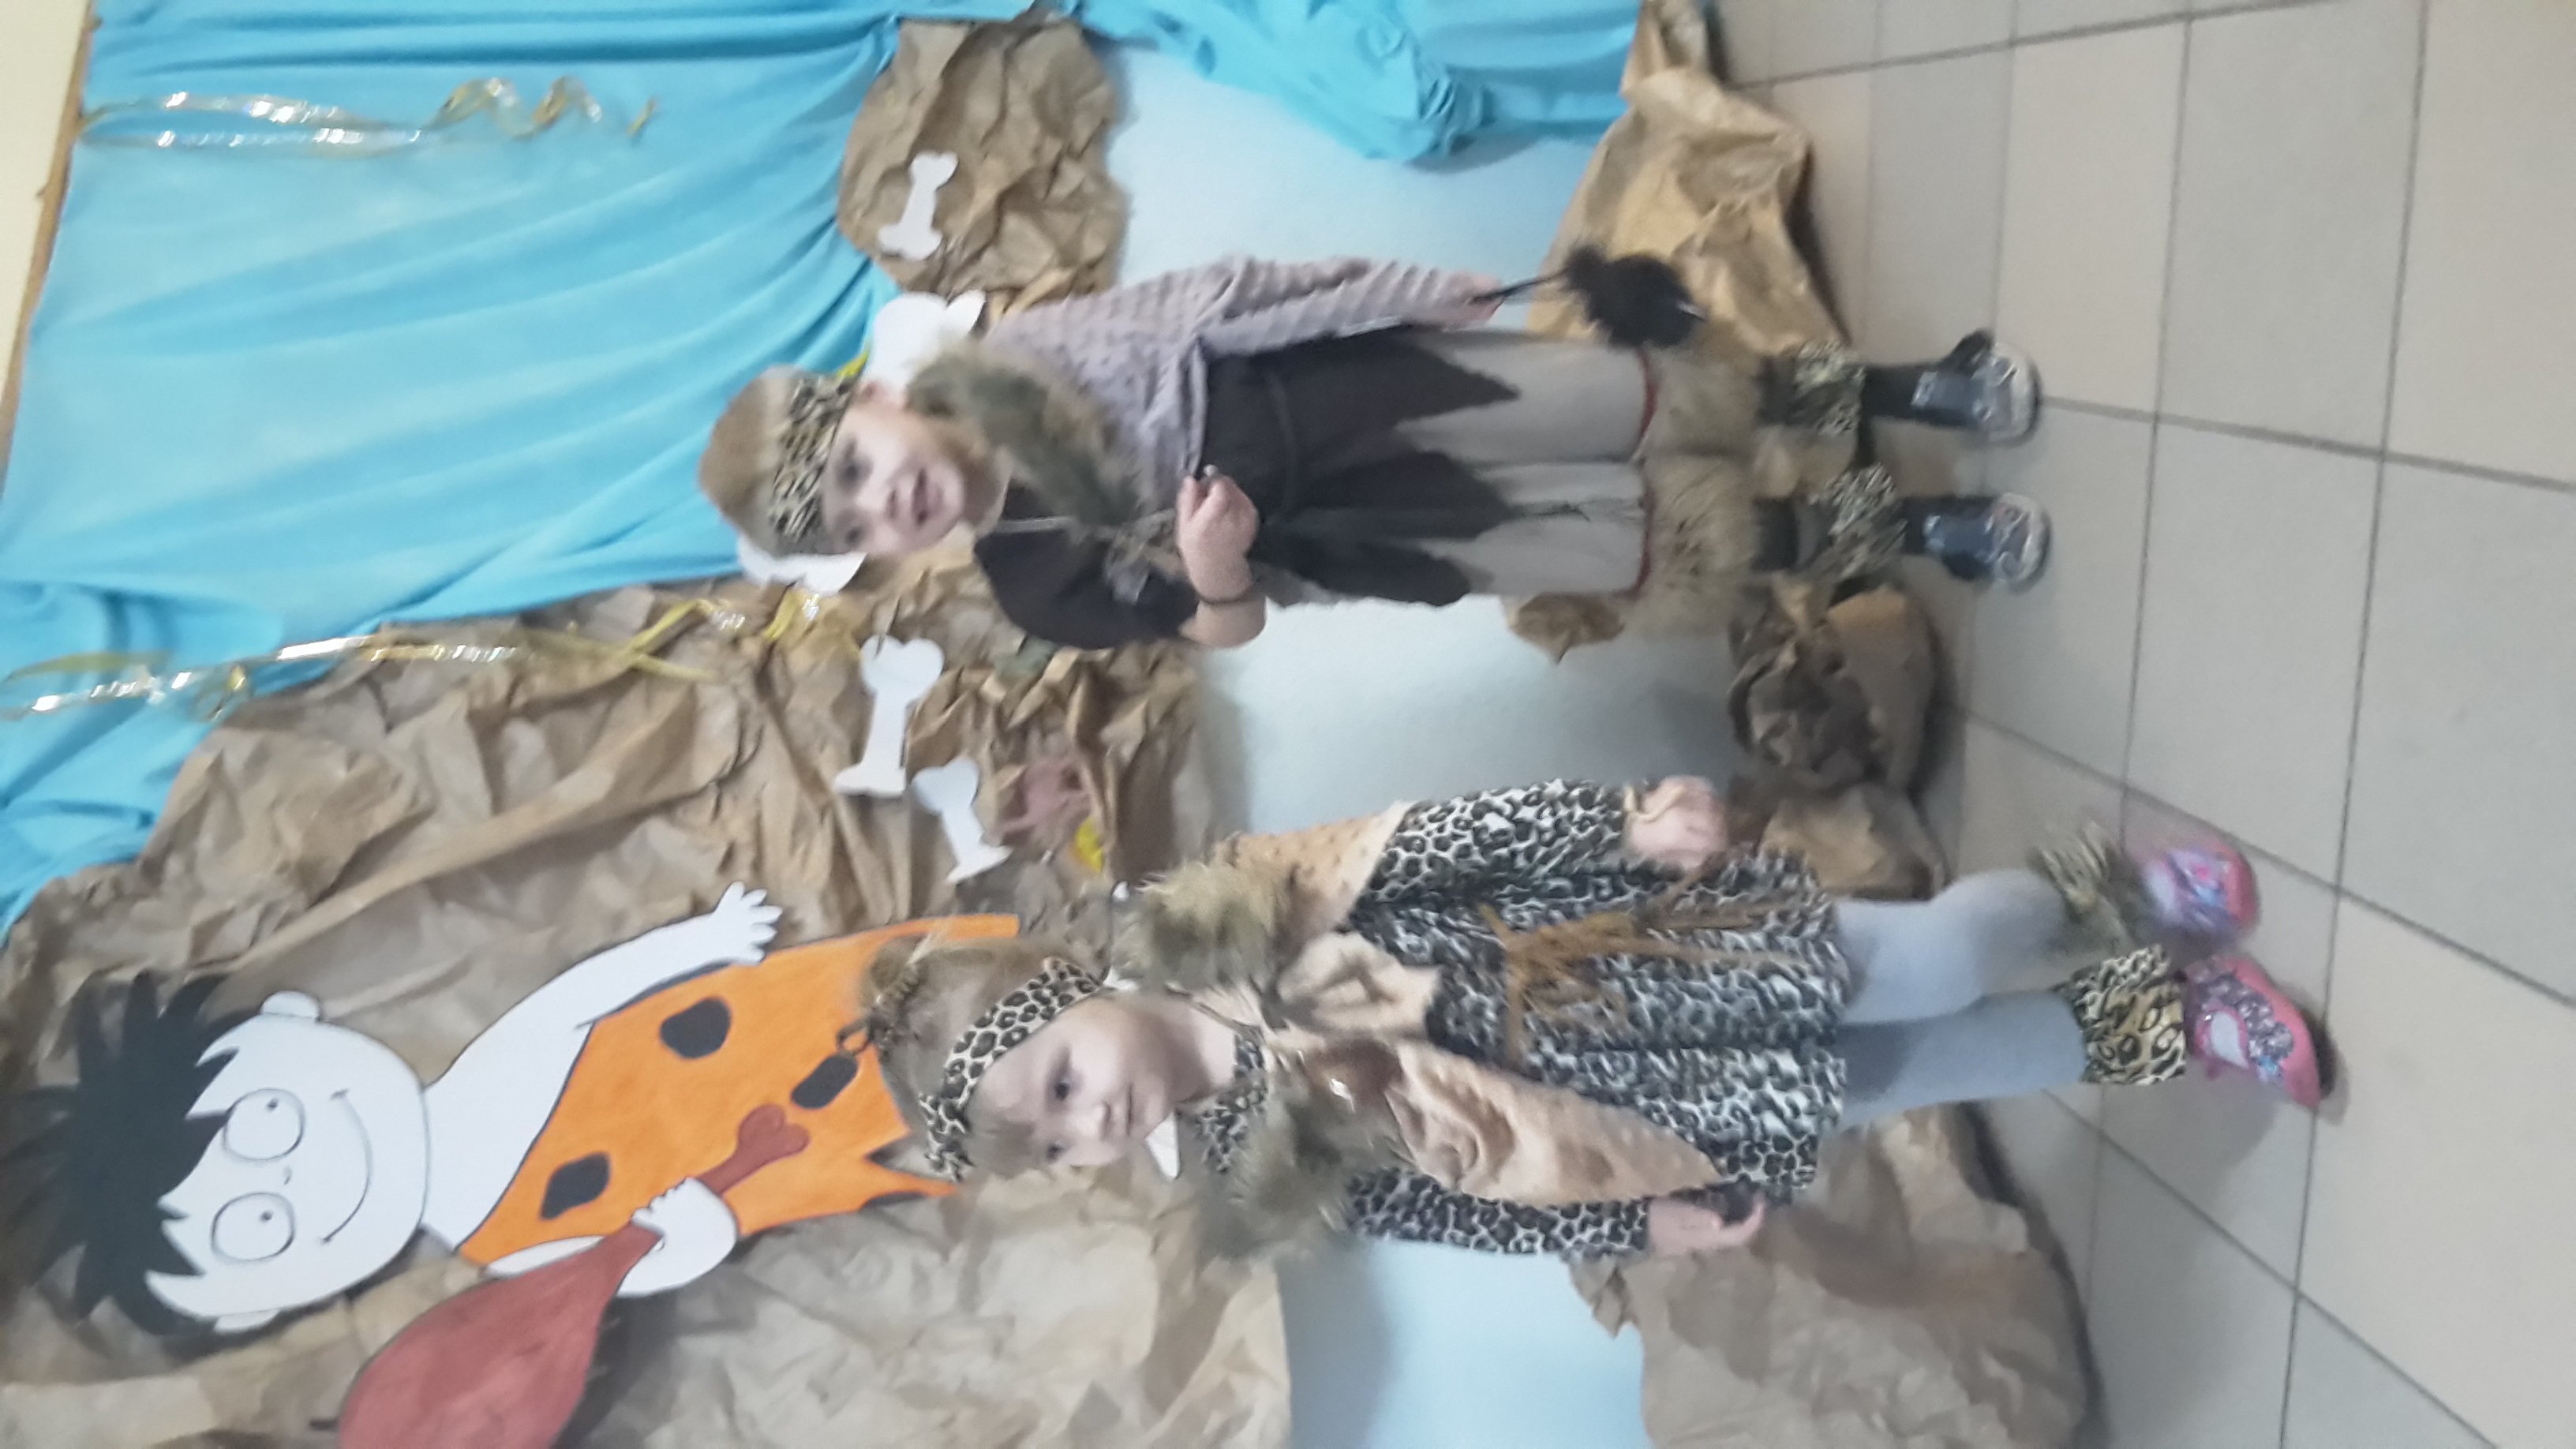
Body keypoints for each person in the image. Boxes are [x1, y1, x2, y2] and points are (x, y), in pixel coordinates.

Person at [851, 779, 2331, 1259]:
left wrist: (1616, 823)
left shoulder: (1231, 910)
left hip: (1638, 959)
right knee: (1918, 1067)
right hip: (1633, 1114)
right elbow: (1455, 1208)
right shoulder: (1258, 1165)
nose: (1091, 1124)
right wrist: (1636, 1222)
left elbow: (1433, 842)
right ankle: (2166, 1021)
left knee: (1934, 960)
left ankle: (2102, 901)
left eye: (1059, 1083)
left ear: (1069, 989)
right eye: (1060, 1147)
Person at [698, 253, 2049, 651]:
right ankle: (1905, 531)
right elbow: (1221, 631)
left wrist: (1400, 291)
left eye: (857, 467)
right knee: (1662, 542)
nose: (887, 502)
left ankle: (1908, 389)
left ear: (876, 402)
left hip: (1383, 389)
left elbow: (1229, 301)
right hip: (1385, 537)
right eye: (857, 527)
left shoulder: (1030, 355)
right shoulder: (1034, 586)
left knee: (1660, 395)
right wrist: (1217, 572)